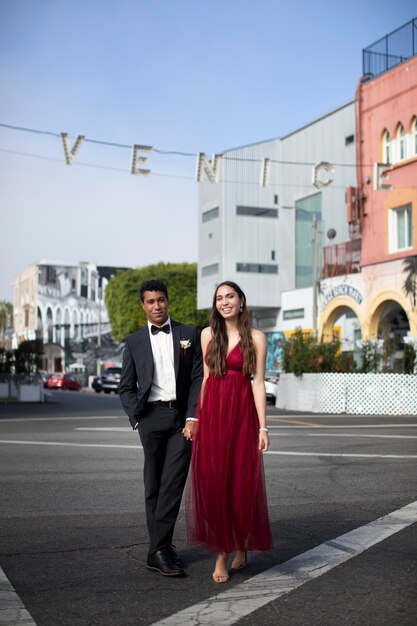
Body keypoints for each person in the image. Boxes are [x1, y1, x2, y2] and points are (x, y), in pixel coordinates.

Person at [185, 280, 272, 583]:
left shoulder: (258, 338)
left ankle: (239, 546)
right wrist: (198, 418)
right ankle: (222, 551)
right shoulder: (208, 334)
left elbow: (258, 383)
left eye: (230, 296)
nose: (225, 302)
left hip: (243, 418)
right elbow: (207, 379)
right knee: (214, 485)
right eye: (219, 298)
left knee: (239, 487)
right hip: (214, 418)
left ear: (241, 301)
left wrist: (263, 426)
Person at [119, 279, 203, 577]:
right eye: (151, 301)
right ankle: (162, 548)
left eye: (161, 300)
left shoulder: (188, 334)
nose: (157, 305)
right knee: (153, 486)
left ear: (168, 301)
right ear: (143, 305)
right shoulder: (134, 341)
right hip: (151, 417)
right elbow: (126, 388)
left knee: (172, 485)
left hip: (181, 419)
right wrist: (137, 418)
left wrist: (193, 417)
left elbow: (196, 379)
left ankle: (157, 550)